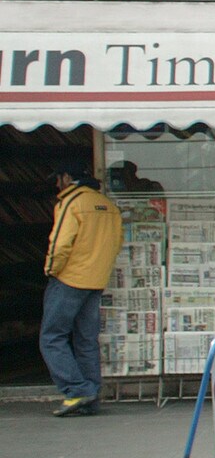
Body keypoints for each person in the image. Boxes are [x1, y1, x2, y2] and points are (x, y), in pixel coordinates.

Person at [42, 170, 124, 418]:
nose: (57, 184)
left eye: (57, 179)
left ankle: (76, 390)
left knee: (52, 337)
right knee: (86, 340)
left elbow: (60, 241)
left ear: (66, 177)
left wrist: (50, 270)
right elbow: (116, 242)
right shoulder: (108, 205)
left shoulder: (72, 202)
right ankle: (91, 395)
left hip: (70, 278)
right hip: (96, 281)